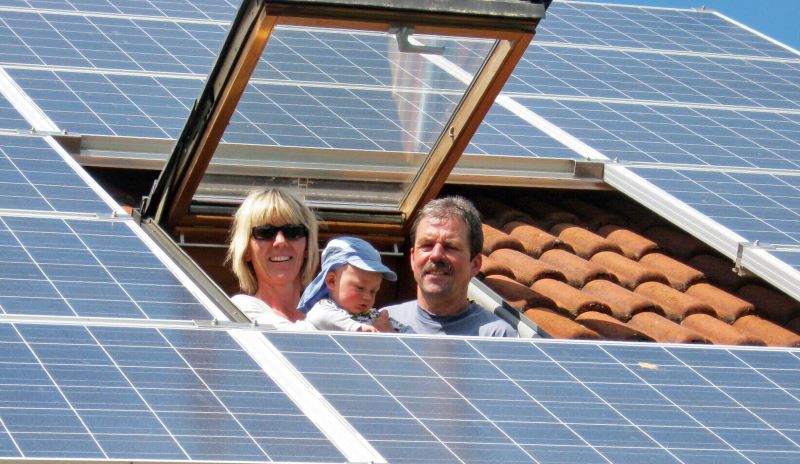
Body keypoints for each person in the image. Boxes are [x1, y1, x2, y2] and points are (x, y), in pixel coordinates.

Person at [383, 196, 518, 337]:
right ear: (412, 258)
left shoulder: (496, 337)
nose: (436, 255)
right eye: (427, 245)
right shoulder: (383, 324)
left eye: (450, 247)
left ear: (475, 264)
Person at [226, 187, 320, 330]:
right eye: (265, 232)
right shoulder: (240, 313)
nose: (280, 241)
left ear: (307, 246)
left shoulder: (330, 315)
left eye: (293, 231)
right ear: (246, 251)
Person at [298, 237, 403, 332]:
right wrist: (357, 328)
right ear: (332, 281)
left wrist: (390, 331)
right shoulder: (324, 308)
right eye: (360, 288)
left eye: (373, 291)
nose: (367, 297)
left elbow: (407, 337)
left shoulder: (374, 316)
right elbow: (318, 317)